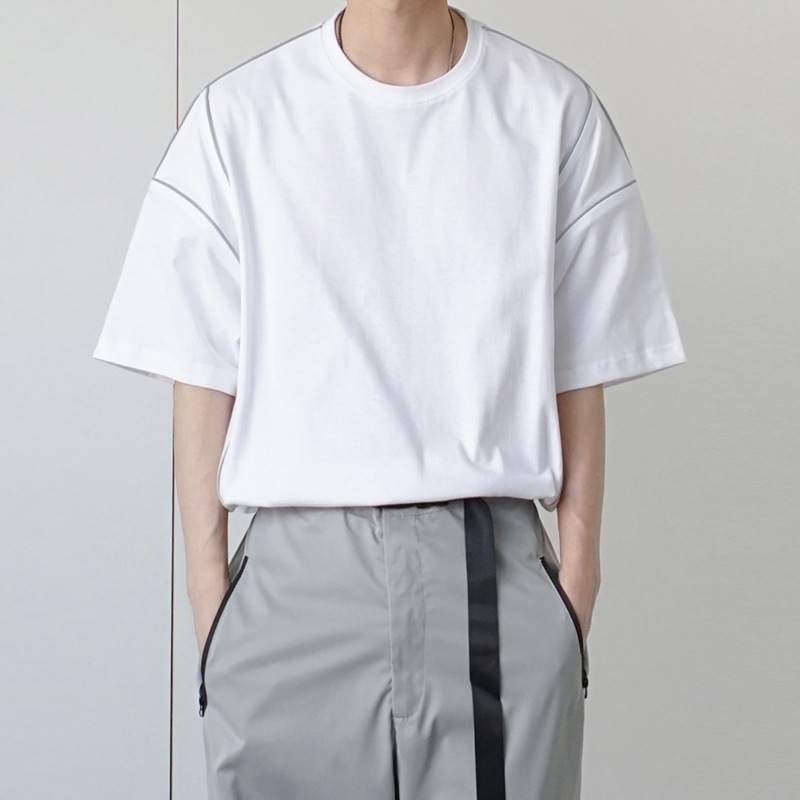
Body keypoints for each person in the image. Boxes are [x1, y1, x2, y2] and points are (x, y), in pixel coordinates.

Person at [93, 2, 687, 798]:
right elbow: (200, 372)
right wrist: (212, 609)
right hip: (292, 592)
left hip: (491, 577)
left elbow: (584, 363)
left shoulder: (553, 113)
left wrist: (575, 588)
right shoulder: (237, 119)